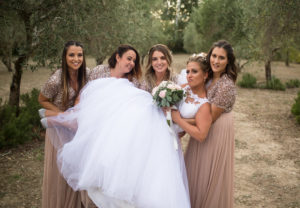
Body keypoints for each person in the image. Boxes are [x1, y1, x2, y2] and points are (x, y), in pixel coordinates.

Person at [42, 44, 191, 208]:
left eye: (162, 58)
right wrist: (78, 109)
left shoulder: (143, 81)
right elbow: (86, 91)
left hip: (155, 128)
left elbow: (137, 106)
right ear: (117, 57)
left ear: (168, 60)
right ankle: (61, 118)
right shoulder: (113, 74)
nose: (132, 63)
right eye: (154, 58)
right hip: (99, 119)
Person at [184, 40, 237, 208]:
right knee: (195, 172)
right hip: (202, 127)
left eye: (221, 58)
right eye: (214, 56)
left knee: (209, 174)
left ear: (228, 61)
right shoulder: (207, 78)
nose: (216, 61)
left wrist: (177, 119)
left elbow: (210, 118)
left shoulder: (226, 84)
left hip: (217, 129)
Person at [38, 40, 88, 208]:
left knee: (75, 168)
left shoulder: (86, 74)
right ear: (65, 57)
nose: (76, 59)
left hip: (76, 130)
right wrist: (61, 115)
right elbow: (42, 99)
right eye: (71, 55)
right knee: (59, 174)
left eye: (79, 55)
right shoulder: (57, 79)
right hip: (58, 130)